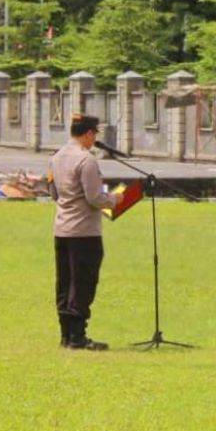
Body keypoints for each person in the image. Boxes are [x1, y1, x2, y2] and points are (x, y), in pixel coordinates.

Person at [52, 114, 124, 350]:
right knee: (83, 283)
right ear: (89, 133)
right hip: (84, 231)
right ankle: (78, 336)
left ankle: (66, 334)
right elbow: (95, 197)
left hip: (62, 229)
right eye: (94, 135)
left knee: (65, 282)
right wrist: (117, 198)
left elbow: (53, 192)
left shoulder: (57, 156)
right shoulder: (87, 160)